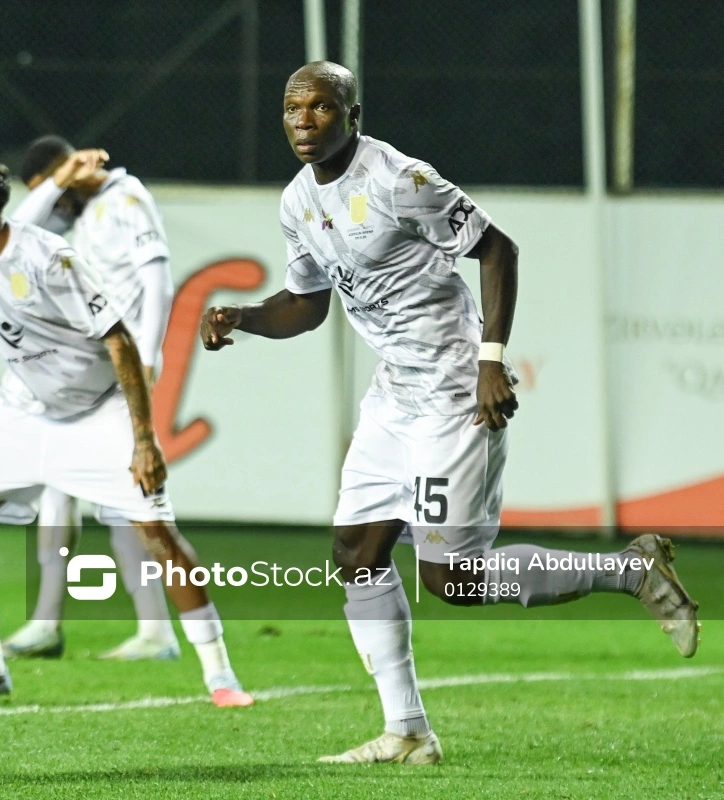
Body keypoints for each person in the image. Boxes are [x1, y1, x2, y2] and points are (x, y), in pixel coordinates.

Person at [200, 61, 700, 764]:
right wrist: (243, 317)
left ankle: (631, 570)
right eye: (292, 108)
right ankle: (407, 732)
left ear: (352, 115)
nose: (304, 121)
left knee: (454, 580)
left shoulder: (399, 179)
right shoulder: (297, 202)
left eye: (321, 107)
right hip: (394, 396)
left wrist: (490, 360)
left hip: (454, 393)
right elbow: (308, 304)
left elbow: (497, 248)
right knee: (355, 554)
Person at [0, 156, 252, 706]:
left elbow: (119, 340)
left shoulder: (48, 258)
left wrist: (144, 439)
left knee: (155, 531)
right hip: (23, 409)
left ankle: (220, 674)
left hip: (98, 408)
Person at [0, 135, 179, 661]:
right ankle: (46, 622)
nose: (55, 203)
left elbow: (158, 281)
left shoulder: (127, 197)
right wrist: (59, 180)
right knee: (58, 492)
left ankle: (157, 632)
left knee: (125, 500)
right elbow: (16, 231)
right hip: (85, 370)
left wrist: (148, 355)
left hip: (122, 371)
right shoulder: (80, 209)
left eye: (56, 189)